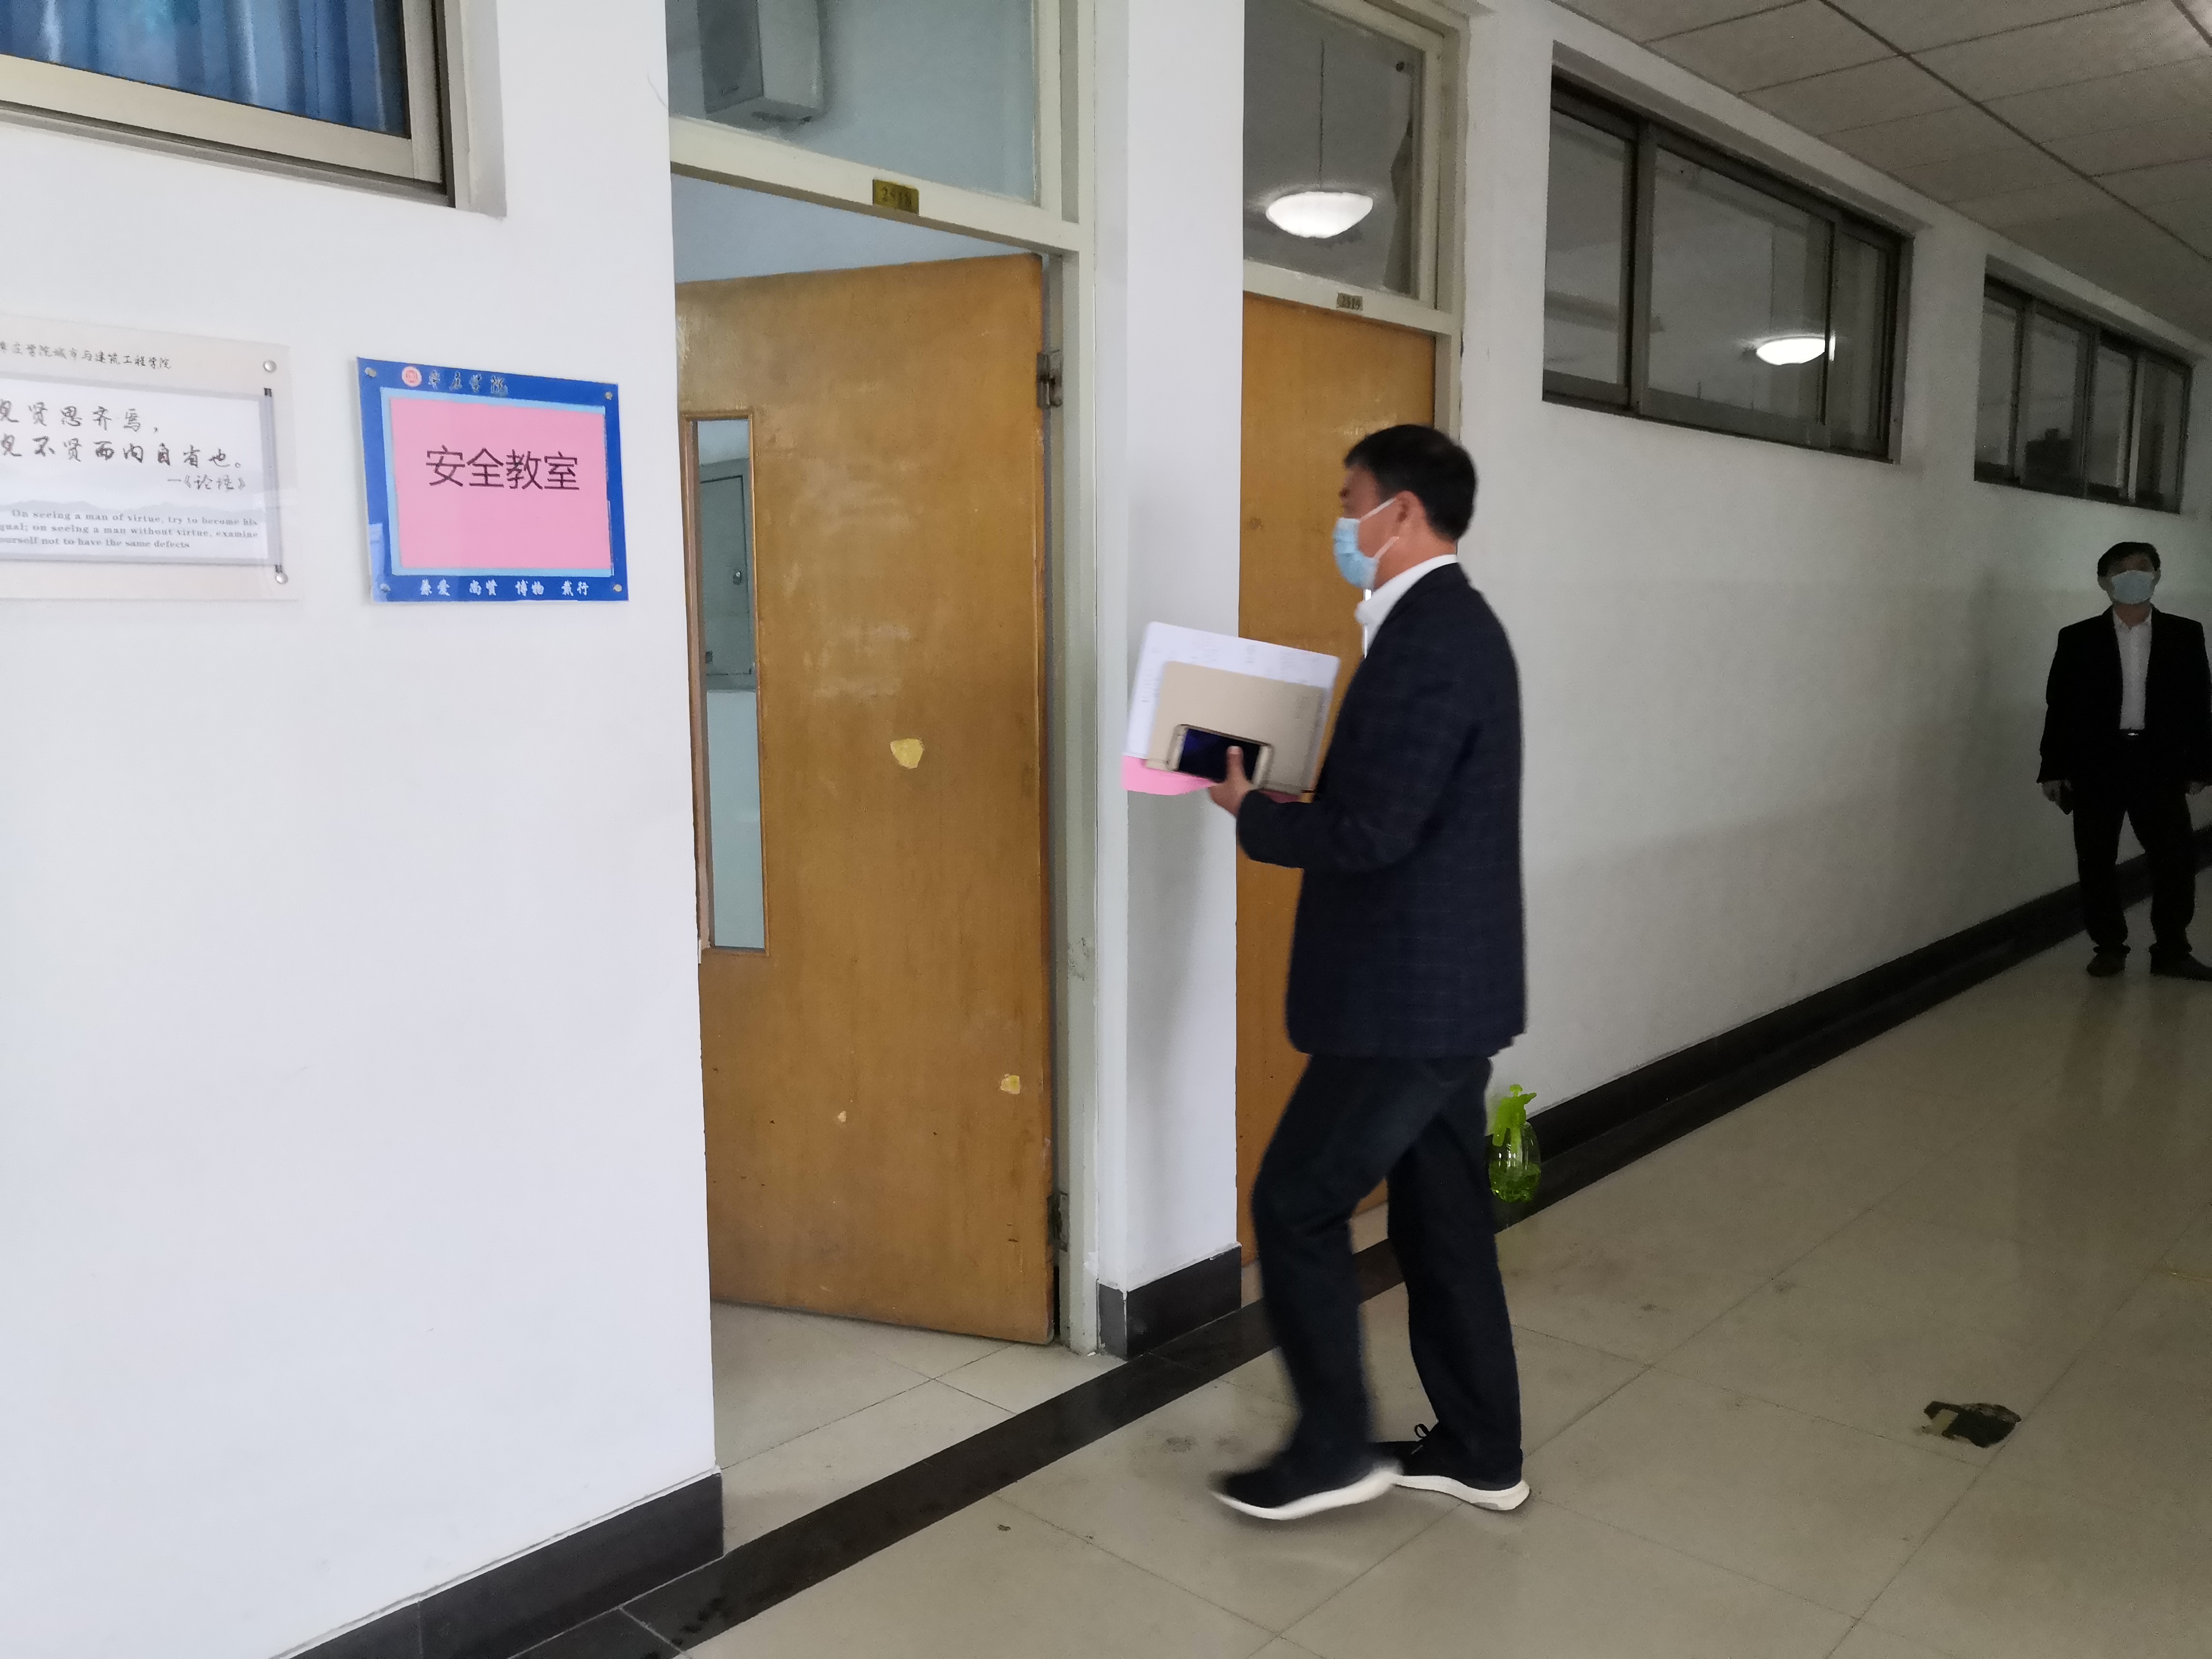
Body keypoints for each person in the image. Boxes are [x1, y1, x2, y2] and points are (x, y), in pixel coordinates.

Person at [1205, 424, 1528, 1522]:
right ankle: (1482, 1449)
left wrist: (1253, 812)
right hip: (1444, 995)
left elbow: (1378, 833)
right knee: (1443, 1222)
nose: (1343, 524)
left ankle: (1333, 1449)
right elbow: (1399, 808)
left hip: (1407, 1003)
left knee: (1294, 1202)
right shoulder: (1442, 628)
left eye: (1352, 503)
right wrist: (1303, 798)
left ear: (1401, 513)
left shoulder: (1432, 638)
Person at [2039, 541, 2212, 980]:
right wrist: (2053, 767)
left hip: (2159, 762)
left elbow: (2199, 703)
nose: (2133, 576)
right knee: (2096, 860)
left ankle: (2171, 950)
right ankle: (2109, 947)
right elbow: (2060, 707)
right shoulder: (2077, 638)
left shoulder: (2185, 633)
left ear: (2157, 576)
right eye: (2122, 569)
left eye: (2143, 567)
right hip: (2097, 762)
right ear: (2104, 581)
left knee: (2174, 860)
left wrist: (2200, 764)